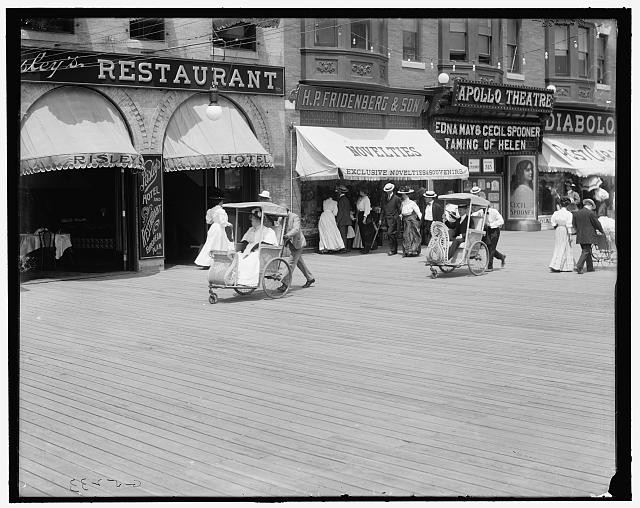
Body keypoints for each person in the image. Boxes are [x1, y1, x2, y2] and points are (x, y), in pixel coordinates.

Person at [278, 204, 315, 289]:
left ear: (286, 210)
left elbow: (296, 229)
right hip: (290, 243)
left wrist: (287, 235)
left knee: (291, 263)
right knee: (299, 262)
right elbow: (280, 228)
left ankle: (285, 283)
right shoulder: (282, 218)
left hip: (298, 243)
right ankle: (310, 278)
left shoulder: (295, 217)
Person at [236, 212, 278, 286]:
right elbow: (245, 240)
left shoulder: (268, 231)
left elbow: (267, 243)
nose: (251, 221)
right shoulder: (251, 229)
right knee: (238, 256)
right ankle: (239, 279)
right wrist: (243, 249)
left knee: (251, 258)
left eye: (252, 220)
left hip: (262, 252)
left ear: (257, 221)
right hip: (249, 250)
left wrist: (253, 248)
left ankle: (249, 281)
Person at [195, 195, 233, 267]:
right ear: (220, 202)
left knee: (210, 244)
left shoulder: (211, 210)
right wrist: (229, 224)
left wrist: (215, 220)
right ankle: (216, 261)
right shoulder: (221, 211)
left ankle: (205, 261)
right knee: (219, 243)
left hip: (213, 227)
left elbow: (209, 221)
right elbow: (222, 222)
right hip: (219, 228)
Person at [571, 198, 605, 274]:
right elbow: (597, 223)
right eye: (591, 207)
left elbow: (574, 225)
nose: (591, 209)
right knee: (586, 251)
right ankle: (579, 266)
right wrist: (601, 231)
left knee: (586, 250)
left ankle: (590, 267)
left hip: (580, 235)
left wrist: (578, 231)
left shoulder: (576, 213)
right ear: (589, 205)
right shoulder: (591, 213)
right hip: (589, 235)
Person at [548, 197, 575, 273]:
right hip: (565, 229)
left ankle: (563, 266)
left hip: (558, 229)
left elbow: (553, 221)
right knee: (565, 246)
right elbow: (569, 225)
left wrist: (556, 225)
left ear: (560, 204)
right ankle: (557, 266)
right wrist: (570, 235)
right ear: (568, 205)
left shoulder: (556, 213)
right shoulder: (569, 214)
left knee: (558, 246)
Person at [397, 186, 422, 257]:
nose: (403, 195)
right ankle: (407, 250)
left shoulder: (412, 203)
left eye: (404, 194)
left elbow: (418, 211)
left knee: (413, 234)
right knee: (406, 235)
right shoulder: (402, 203)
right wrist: (401, 216)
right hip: (405, 220)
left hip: (411, 219)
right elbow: (401, 212)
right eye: (402, 194)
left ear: (407, 195)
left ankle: (414, 250)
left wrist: (421, 220)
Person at [379, 182, 402, 256]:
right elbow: (383, 209)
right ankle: (394, 249)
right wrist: (380, 219)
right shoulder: (384, 198)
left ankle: (392, 250)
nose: (387, 192)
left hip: (393, 219)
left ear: (391, 190)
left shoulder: (396, 198)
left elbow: (399, 210)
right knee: (392, 235)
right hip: (386, 219)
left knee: (390, 233)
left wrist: (397, 218)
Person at [484, 204, 506, 271]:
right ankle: (501, 256)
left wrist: (491, 225)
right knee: (488, 247)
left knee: (491, 248)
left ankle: (489, 266)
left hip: (494, 230)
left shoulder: (494, 211)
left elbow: (501, 221)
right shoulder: (480, 211)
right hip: (486, 231)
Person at [355, 188, 374, 254]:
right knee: (362, 231)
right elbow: (358, 208)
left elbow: (367, 209)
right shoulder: (361, 199)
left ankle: (367, 247)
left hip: (365, 215)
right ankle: (364, 246)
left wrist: (365, 217)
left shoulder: (366, 199)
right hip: (361, 213)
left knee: (366, 232)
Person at [335, 185, 352, 253]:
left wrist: (337, 220)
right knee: (345, 234)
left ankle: (344, 248)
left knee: (343, 235)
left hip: (342, 220)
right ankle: (345, 247)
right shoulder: (346, 199)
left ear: (339, 192)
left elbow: (340, 212)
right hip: (346, 220)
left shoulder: (341, 200)